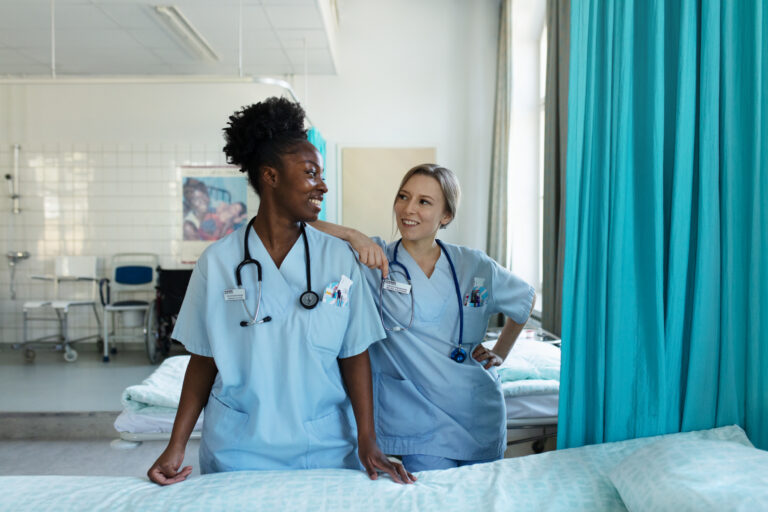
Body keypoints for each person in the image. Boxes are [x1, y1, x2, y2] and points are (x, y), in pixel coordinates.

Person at [147, 97, 414, 485]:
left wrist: (368, 440)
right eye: (310, 173)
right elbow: (203, 360)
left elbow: (354, 354)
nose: (321, 184)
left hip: (324, 448)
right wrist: (176, 445)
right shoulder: (218, 262)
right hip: (238, 450)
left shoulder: (339, 258)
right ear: (270, 177)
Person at [312, 164, 535, 472]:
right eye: (403, 197)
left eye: (424, 202)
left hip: (478, 413)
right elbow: (300, 226)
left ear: (446, 216)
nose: (408, 209)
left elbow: (525, 300)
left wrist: (500, 352)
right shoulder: (375, 259)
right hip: (419, 420)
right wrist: (354, 235)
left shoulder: (474, 265)